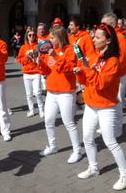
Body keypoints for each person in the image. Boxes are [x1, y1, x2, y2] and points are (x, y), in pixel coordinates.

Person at [74, 23, 126, 190]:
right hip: (91, 105)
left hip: (107, 107)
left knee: (110, 142)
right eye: (94, 36)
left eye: (98, 37)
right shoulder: (92, 56)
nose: (93, 39)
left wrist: (86, 69)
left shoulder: (113, 61)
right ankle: (93, 167)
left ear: (107, 41)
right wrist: (80, 74)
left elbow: (100, 84)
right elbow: (87, 82)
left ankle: (125, 175)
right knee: (87, 138)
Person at [36, 25, 82, 164]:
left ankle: (77, 150)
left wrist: (55, 56)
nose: (49, 40)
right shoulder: (51, 51)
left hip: (66, 92)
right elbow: (46, 71)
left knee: (68, 122)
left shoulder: (69, 50)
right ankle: (53, 146)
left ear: (59, 38)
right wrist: (39, 62)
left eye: (51, 37)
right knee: (48, 120)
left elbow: (68, 68)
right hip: (51, 92)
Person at [17, 27, 44, 118]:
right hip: (27, 73)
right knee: (29, 94)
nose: (32, 36)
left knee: (38, 93)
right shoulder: (23, 47)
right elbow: (19, 59)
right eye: (30, 35)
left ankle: (41, 110)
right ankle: (31, 110)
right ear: (27, 36)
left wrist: (39, 60)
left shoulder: (38, 46)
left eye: (33, 35)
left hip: (36, 72)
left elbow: (44, 57)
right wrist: (26, 58)